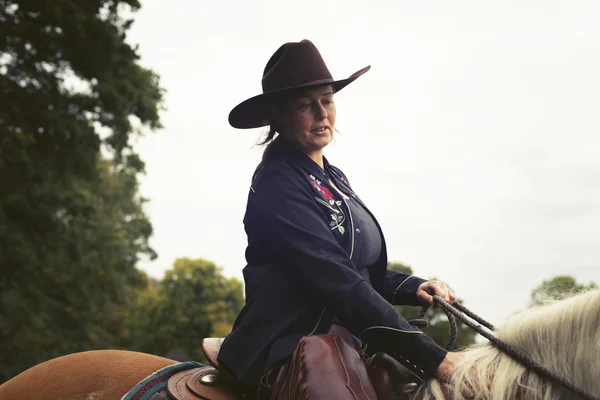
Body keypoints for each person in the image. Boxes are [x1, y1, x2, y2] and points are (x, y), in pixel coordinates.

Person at [218, 39, 462, 398]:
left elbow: (354, 268)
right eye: (305, 104)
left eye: (327, 100)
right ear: (277, 115)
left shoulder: (335, 178)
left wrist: (411, 286)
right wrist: (435, 357)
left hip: (351, 336)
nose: (321, 114)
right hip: (295, 340)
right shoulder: (277, 184)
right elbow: (334, 277)